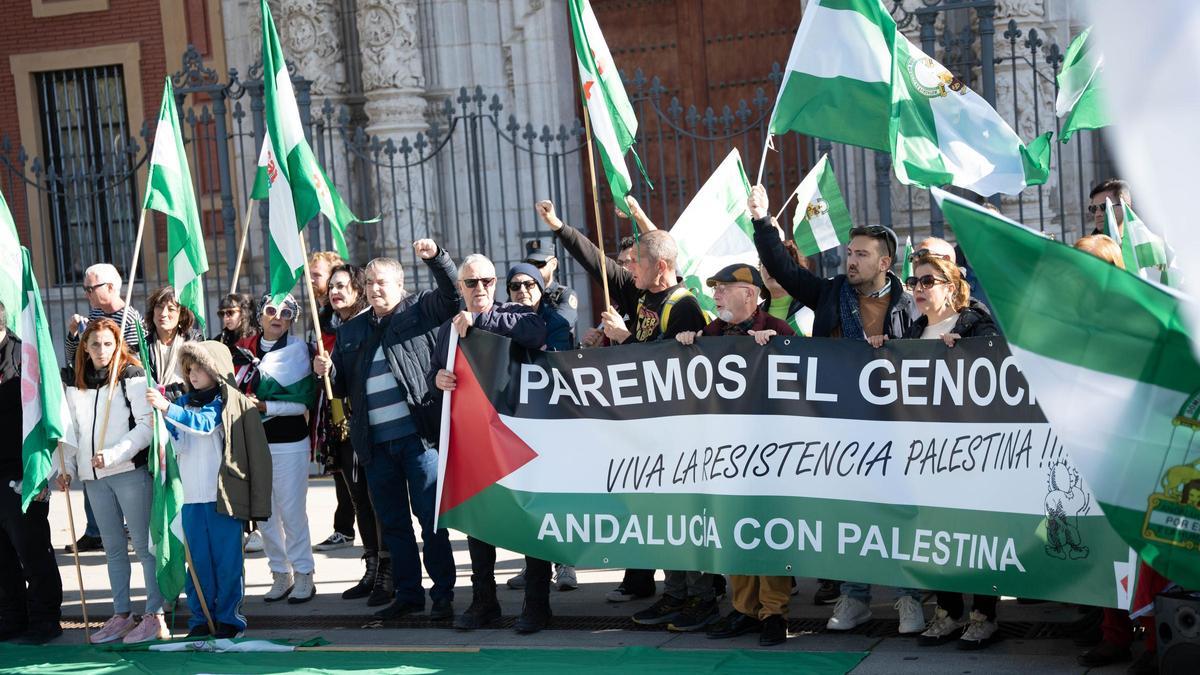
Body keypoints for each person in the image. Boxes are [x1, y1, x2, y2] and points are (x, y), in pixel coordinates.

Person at [748, 184, 924, 634]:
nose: (851, 260)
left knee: (899, 513)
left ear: (885, 263)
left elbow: (931, 352)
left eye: (862, 254)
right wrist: (763, 220)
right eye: (849, 252)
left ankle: (909, 597)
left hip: (894, 429)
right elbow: (782, 269)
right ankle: (855, 596)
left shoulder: (909, 305)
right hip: (837, 429)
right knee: (850, 512)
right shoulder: (828, 294)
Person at [536, 199, 716, 627]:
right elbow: (597, 261)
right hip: (646, 433)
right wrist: (560, 227)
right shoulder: (643, 296)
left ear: (662, 266)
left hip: (678, 437)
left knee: (685, 519)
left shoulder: (683, 304)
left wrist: (626, 337)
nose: (629, 269)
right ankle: (675, 594)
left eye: (638, 263)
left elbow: (671, 367)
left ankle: (701, 599)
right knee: (661, 519)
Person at [312, 240, 461, 622]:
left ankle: (443, 594)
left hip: (419, 440)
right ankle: (409, 594)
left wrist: (437, 258)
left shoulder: (419, 311)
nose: (377, 289)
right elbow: (342, 388)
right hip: (376, 446)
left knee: (431, 522)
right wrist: (327, 372)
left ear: (400, 284)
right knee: (394, 526)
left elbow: (453, 295)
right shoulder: (352, 331)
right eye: (372, 283)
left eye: (384, 282)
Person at [675, 264, 794, 648]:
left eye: (724, 289)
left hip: (770, 452)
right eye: (716, 290)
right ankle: (744, 609)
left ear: (750, 294)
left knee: (768, 531)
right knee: (736, 530)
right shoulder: (711, 334)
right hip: (726, 454)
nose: (716, 296)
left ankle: (774, 613)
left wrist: (773, 349)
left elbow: (804, 376)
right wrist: (686, 340)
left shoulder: (778, 330)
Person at [430, 256, 548, 633]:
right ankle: (484, 602)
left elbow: (535, 332)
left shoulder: (512, 313)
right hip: (474, 441)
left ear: (495, 283)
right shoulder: (448, 329)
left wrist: (480, 320)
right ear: (460, 288)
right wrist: (439, 378)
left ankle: (537, 604)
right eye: (470, 282)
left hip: (519, 437)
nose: (478, 288)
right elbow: (437, 371)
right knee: (478, 523)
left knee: (529, 521)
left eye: (485, 280)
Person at [900, 253, 1002, 650]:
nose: (919, 289)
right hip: (926, 452)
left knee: (974, 532)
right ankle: (948, 611)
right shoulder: (914, 331)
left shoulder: (975, 321)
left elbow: (997, 363)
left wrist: (969, 349)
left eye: (928, 281)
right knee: (935, 534)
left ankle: (983, 614)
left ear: (950, 284)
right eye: (915, 282)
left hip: (971, 451)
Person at [147, 340, 271, 639]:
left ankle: (230, 619)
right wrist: (163, 419)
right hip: (190, 499)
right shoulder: (183, 405)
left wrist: (168, 410)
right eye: (189, 369)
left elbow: (204, 426)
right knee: (197, 565)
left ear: (216, 370)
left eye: (200, 367)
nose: (193, 374)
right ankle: (201, 619)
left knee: (228, 563)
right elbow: (181, 443)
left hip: (222, 498)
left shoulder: (224, 404)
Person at [57, 319, 162, 644]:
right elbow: (70, 429)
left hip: (128, 471)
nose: (102, 351)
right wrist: (68, 469)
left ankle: (154, 614)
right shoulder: (76, 383)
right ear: (85, 349)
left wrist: (114, 454)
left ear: (118, 345)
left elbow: (147, 427)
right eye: (95, 345)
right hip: (93, 478)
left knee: (145, 547)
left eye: (107, 344)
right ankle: (121, 614)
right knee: (114, 549)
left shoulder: (131, 375)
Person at [236, 294, 317, 604]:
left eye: (286, 312)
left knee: (292, 511)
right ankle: (279, 574)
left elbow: (302, 404)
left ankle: (304, 574)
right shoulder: (243, 350)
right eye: (271, 310)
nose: (277, 316)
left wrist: (265, 405)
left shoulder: (298, 352)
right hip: (255, 442)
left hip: (290, 442)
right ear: (260, 315)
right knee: (265, 513)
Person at [321, 264, 392, 606]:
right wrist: (328, 370)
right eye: (331, 286)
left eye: (342, 286)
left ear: (358, 290)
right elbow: (337, 385)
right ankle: (372, 566)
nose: (334, 292)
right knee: (359, 499)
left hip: (372, 427)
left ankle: (388, 571)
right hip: (344, 428)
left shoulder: (369, 323)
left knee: (381, 501)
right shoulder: (339, 328)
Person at [63, 263, 143, 554]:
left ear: (110, 287)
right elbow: (76, 359)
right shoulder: (93, 315)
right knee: (91, 466)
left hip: (119, 403)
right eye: (84, 288)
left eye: (90, 288)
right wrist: (74, 336)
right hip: (91, 397)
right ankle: (96, 529)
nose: (86, 294)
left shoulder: (131, 318)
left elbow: (133, 360)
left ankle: (129, 528)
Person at [0, 302, 64, 645]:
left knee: (32, 549)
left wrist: (43, 472)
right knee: (2, 556)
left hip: (20, 471)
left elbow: (44, 415)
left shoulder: (24, 358)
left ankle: (44, 618)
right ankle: (12, 616)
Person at [308, 251, 359, 555]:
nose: (313, 280)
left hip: (346, 397)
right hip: (330, 395)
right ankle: (344, 527)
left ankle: (348, 526)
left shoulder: (338, 315)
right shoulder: (321, 311)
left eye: (317, 274)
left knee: (350, 462)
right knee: (339, 462)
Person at [143, 285, 202, 401]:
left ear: (182, 315)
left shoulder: (195, 344)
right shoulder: (142, 348)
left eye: (171, 309)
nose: (163, 313)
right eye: (159, 307)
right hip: (152, 410)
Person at [524, 242, 579, 340]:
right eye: (530, 264)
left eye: (539, 264)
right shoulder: (522, 293)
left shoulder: (565, 295)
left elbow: (558, 325)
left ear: (553, 264)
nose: (534, 269)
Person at [213, 293, 259, 366]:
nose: (225, 318)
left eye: (230, 312)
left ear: (243, 313)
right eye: (222, 313)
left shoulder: (256, 338)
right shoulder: (221, 339)